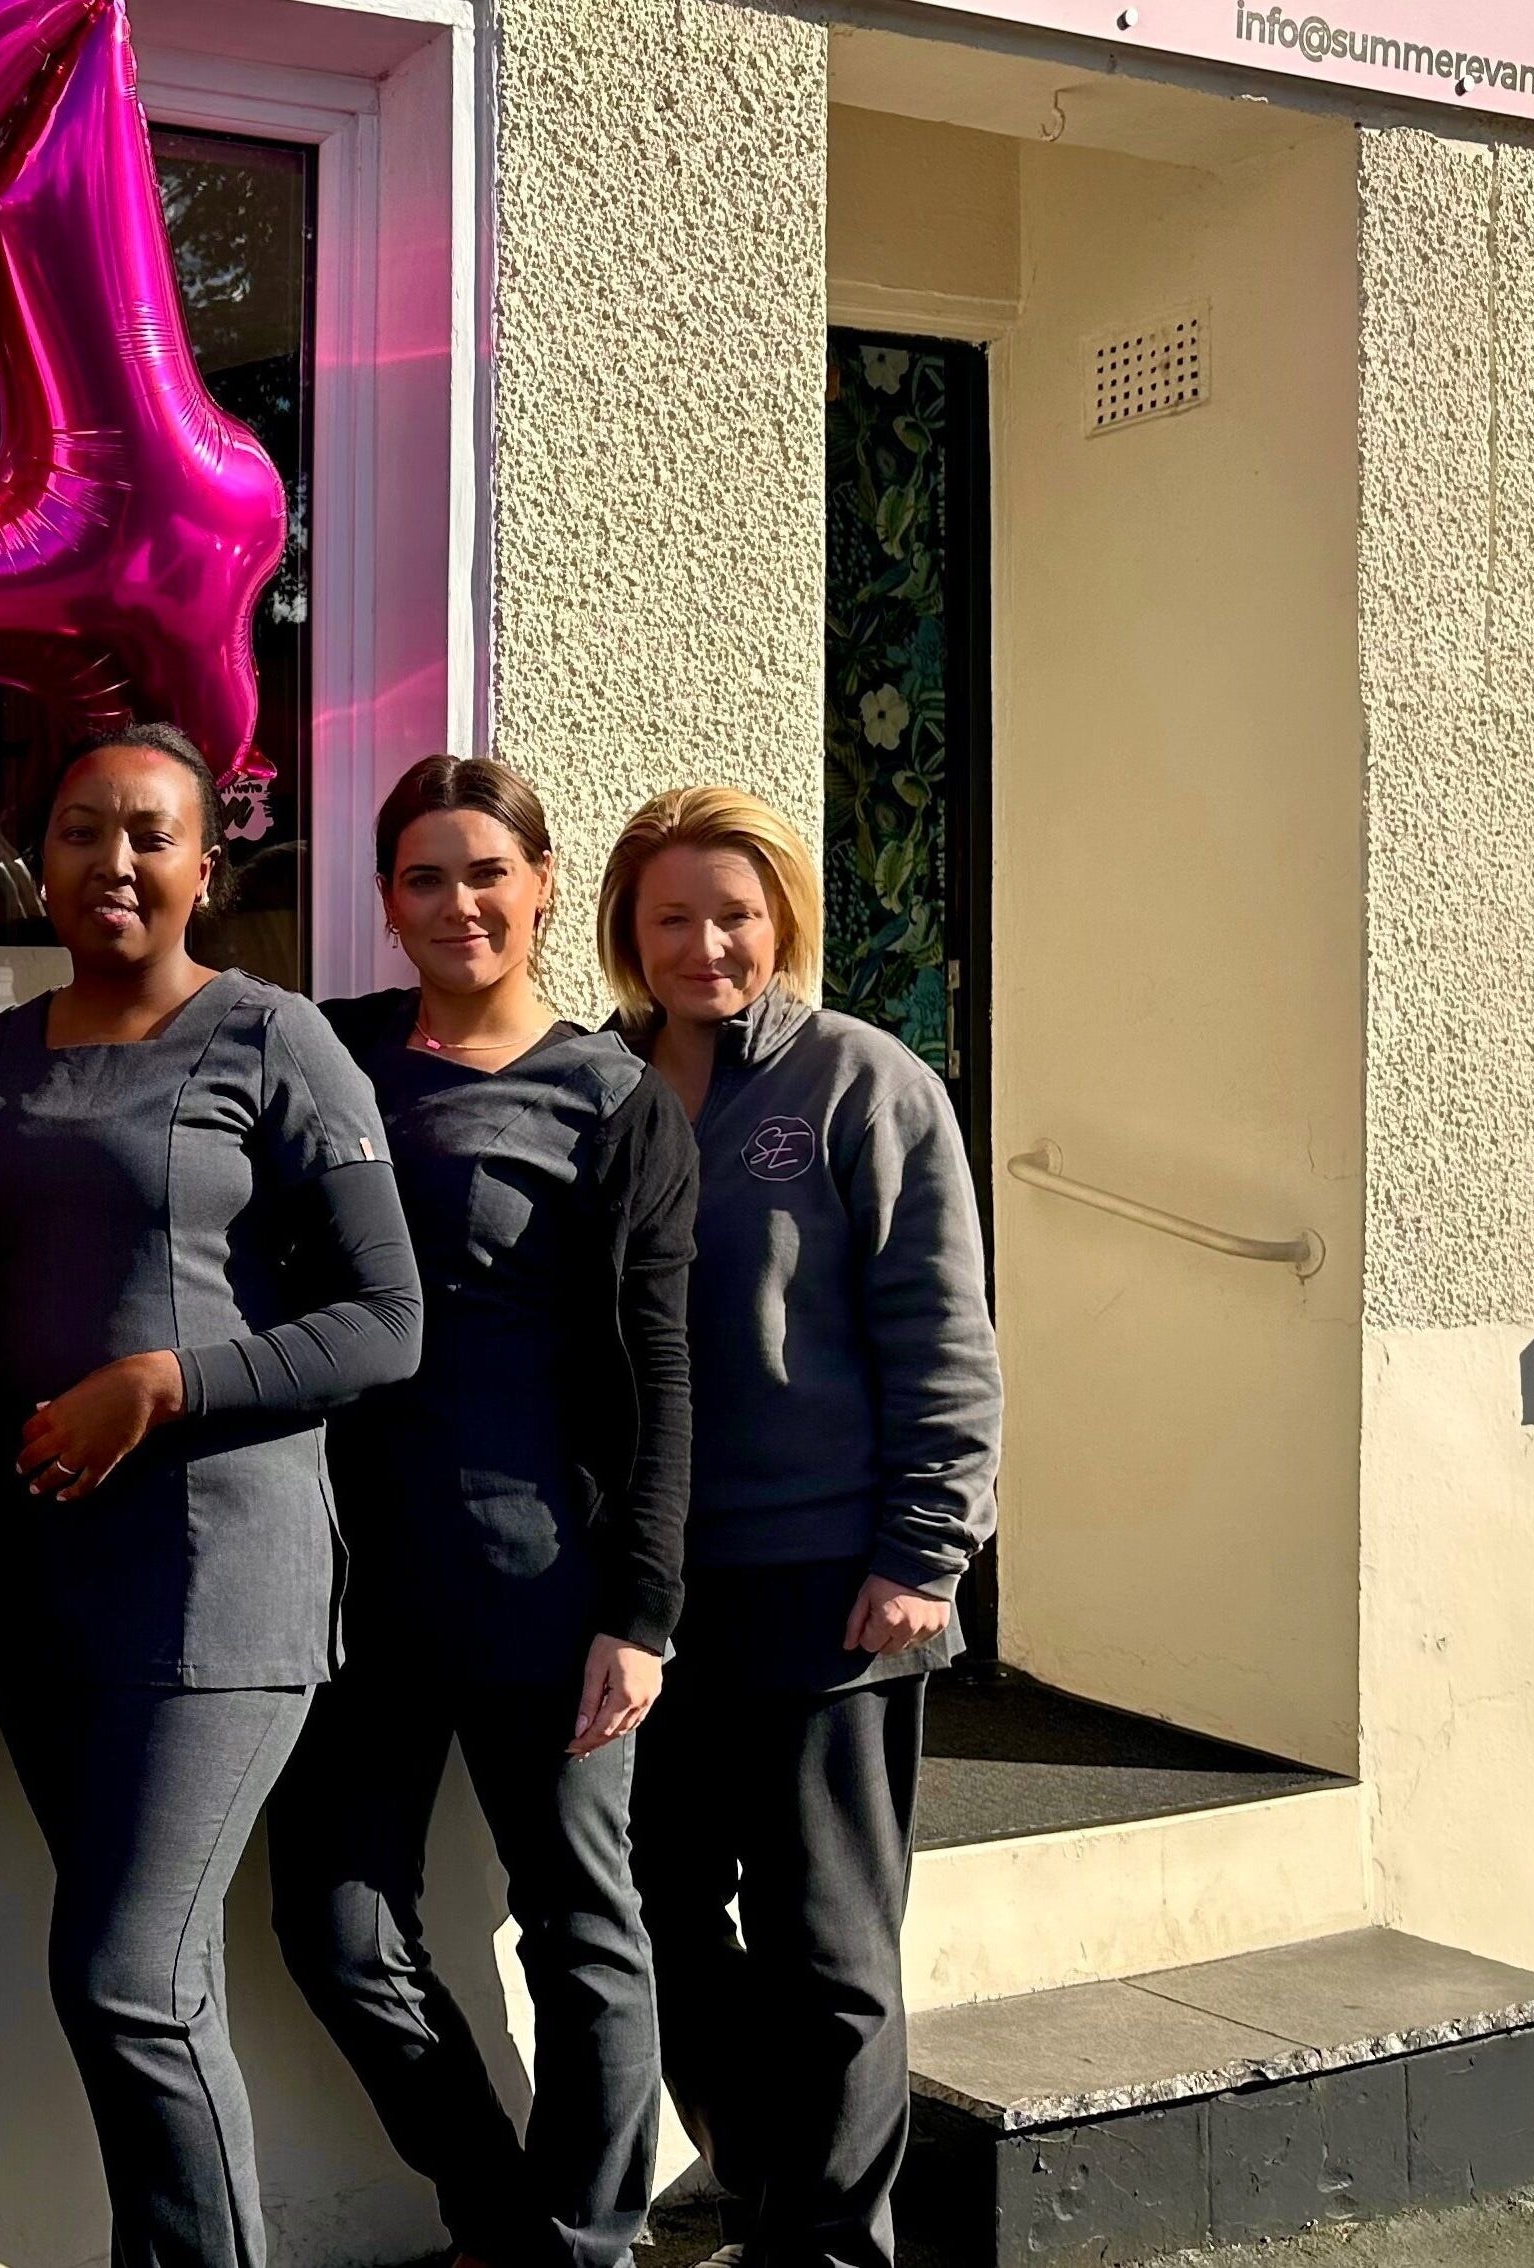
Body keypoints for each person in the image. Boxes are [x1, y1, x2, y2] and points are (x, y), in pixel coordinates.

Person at [0, 722, 424, 2268]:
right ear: (34, 856)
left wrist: (167, 1380)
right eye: (78, 831)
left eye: (148, 835)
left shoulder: (275, 1039)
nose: (111, 864)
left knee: (126, 1977)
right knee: (156, 1983)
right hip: (39, 1586)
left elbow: (387, 1323)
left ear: (208, 863)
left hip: (219, 1582)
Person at [267, 755, 698, 2268]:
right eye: (425, 878)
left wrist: (639, 1613)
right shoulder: (326, 1057)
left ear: (539, 885)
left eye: (486, 873)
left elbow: (662, 1378)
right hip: (348, 1593)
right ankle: (509, 2221)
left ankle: (588, 2240)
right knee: (334, 1929)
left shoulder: (614, 1097)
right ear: (385, 904)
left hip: (545, 1589)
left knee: (584, 1932)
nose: (459, 904)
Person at [601, 785, 1002, 2268]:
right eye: (673, 919)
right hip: (650, 1590)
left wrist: (926, 1549)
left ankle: (832, 2245)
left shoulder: (862, 1082)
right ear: (627, 936)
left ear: (783, 924)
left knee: (829, 1943)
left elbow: (939, 1331)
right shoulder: (604, 1084)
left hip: (835, 1581)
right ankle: (755, 2171)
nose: (707, 944)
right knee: (657, 1911)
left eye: (736, 915)